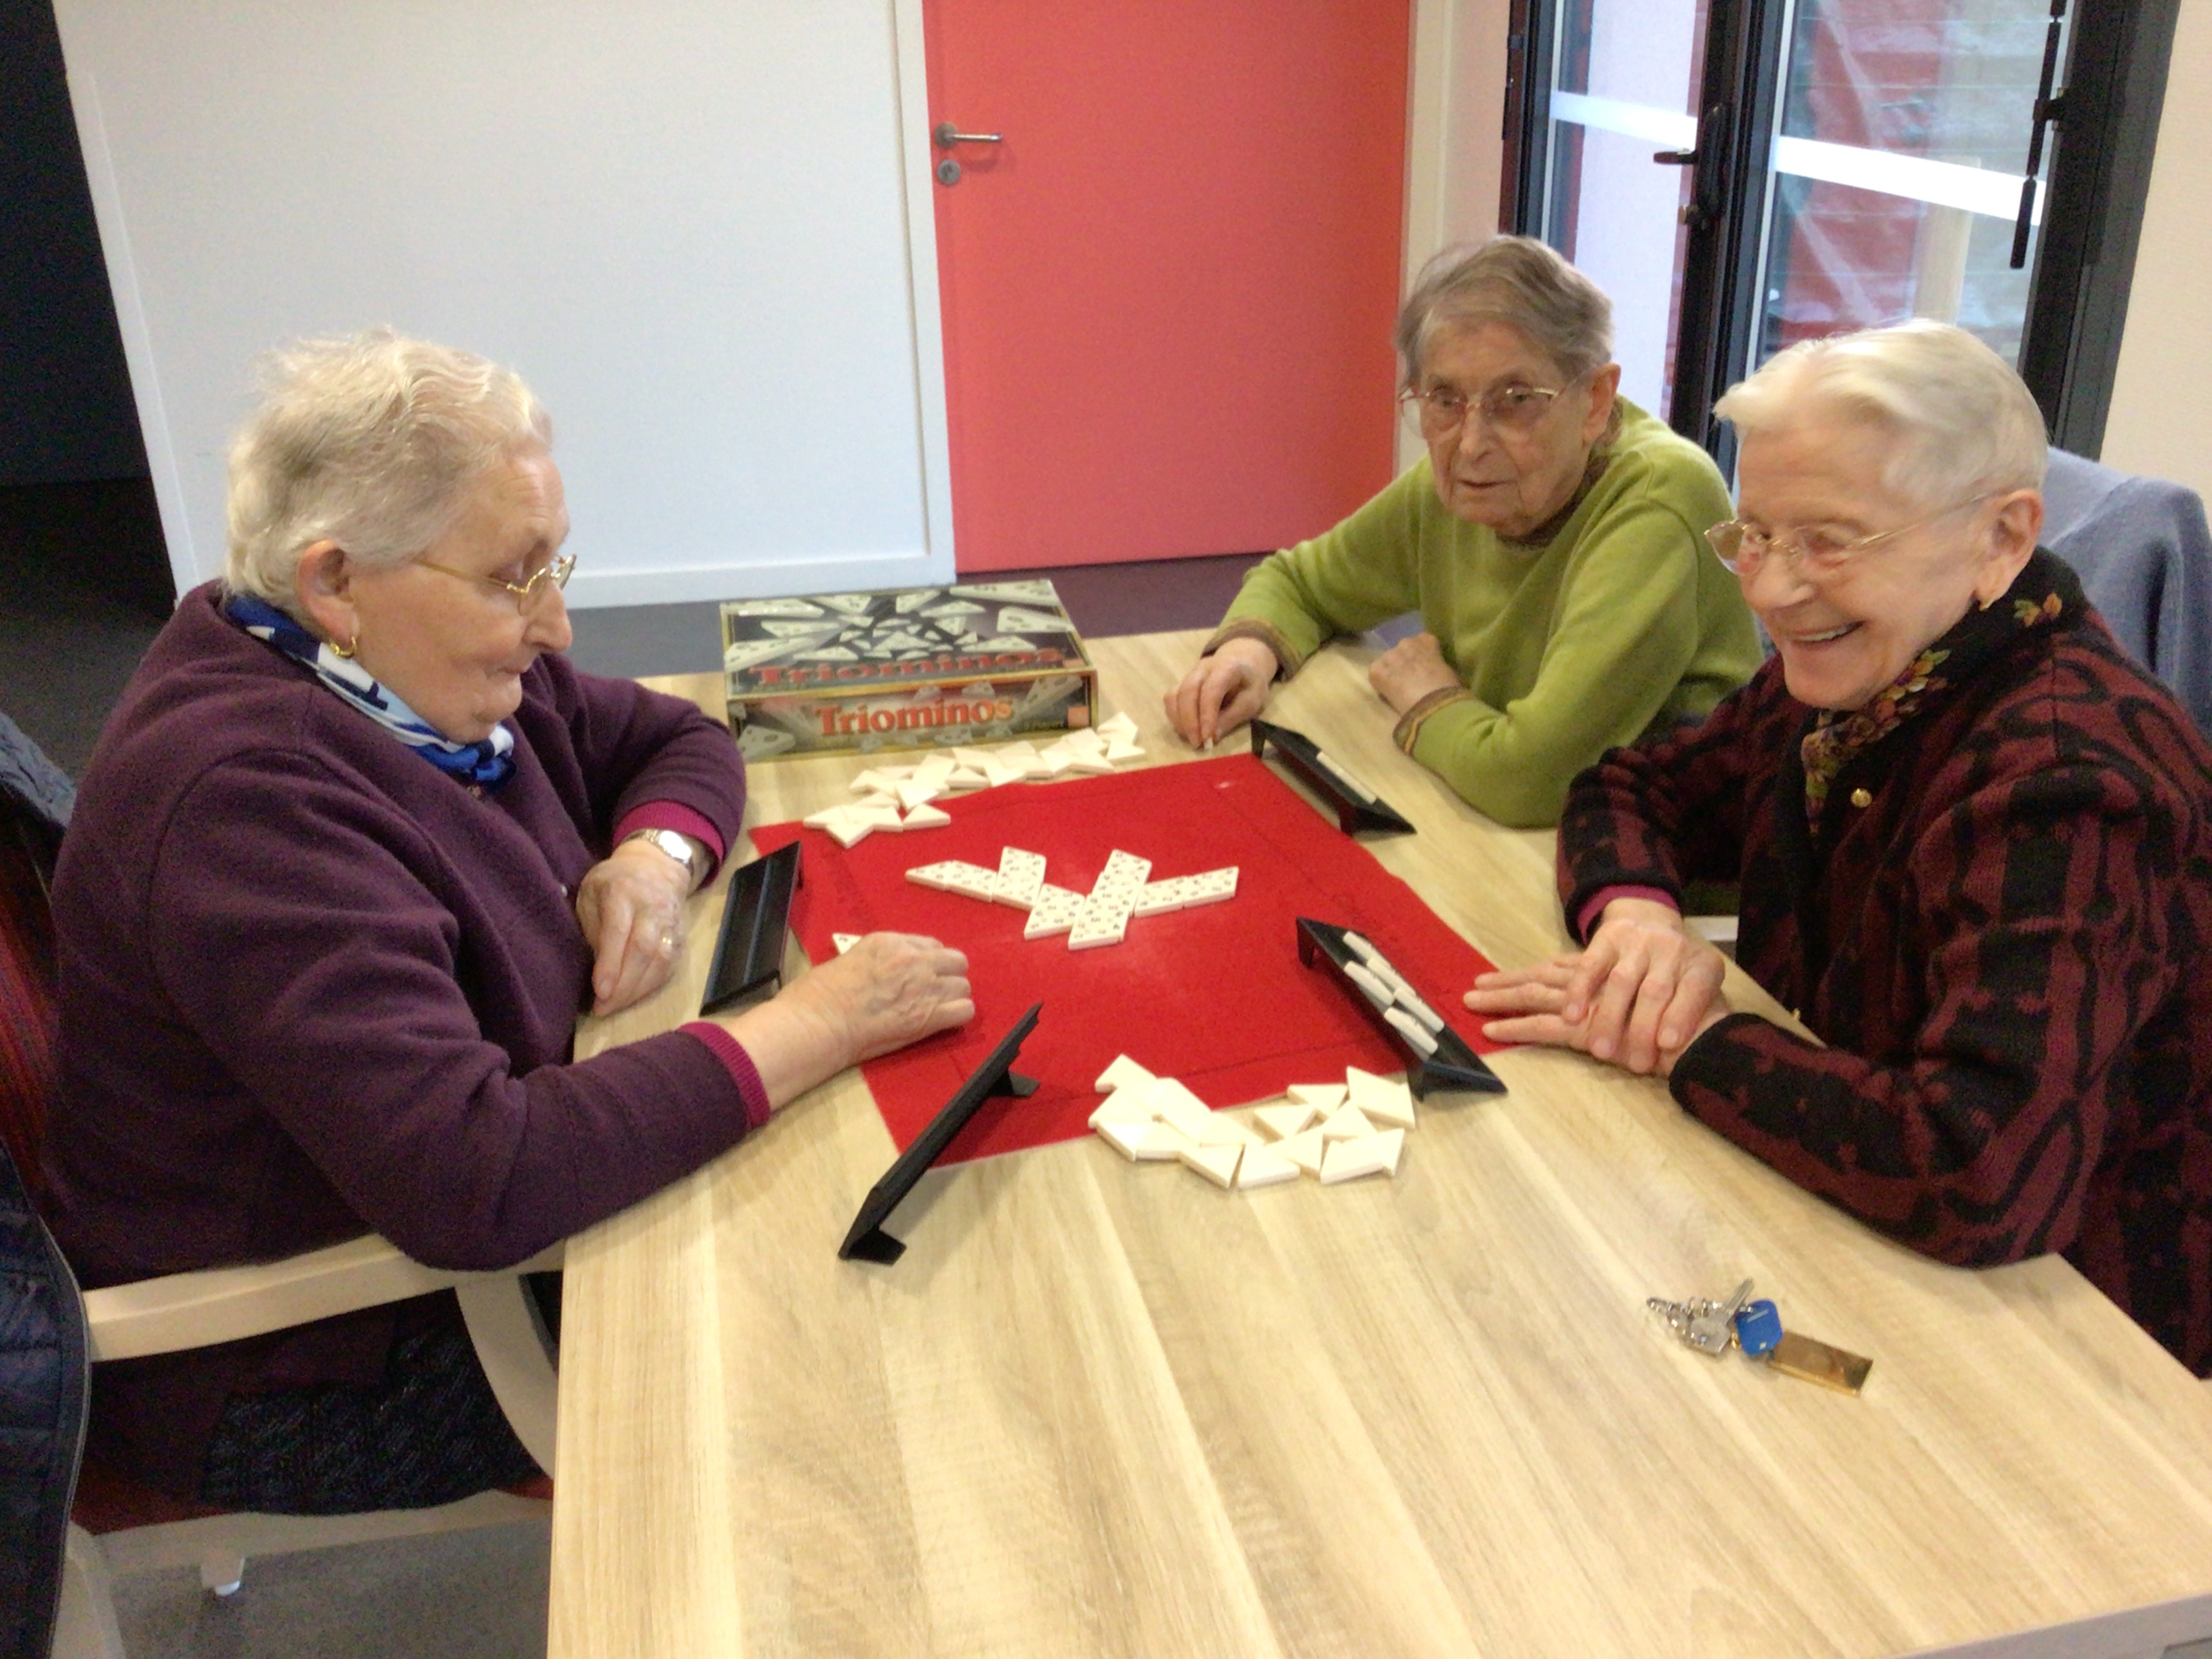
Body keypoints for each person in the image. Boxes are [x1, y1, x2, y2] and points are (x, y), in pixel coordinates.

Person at [41, 331, 975, 1511]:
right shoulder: (246, 805)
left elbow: (676, 739)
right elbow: (474, 1181)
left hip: (433, 1227)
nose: (555, 625)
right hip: (310, 1354)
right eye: (509, 576)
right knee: (847, 1295)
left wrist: (651, 859)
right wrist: (817, 1025)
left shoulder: (402, 675)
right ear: (334, 583)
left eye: (550, 566)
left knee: (848, 1179)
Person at [1467, 321, 2212, 1376]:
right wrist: (1638, 917)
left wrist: (1692, 1039)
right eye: (1756, 534)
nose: (1769, 591)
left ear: (2001, 538)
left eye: (1830, 542)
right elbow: (1632, 785)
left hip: (2081, 1339)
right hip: (1844, 1217)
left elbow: (1979, 1169)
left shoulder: (2068, 784)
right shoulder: (1875, 667)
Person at [1164, 236, 1762, 827]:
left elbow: (1530, 779)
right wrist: (1249, 656)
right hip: (1496, 821)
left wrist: (1427, 699)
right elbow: (1299, 583)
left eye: (1517, 399)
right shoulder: (1465, 484)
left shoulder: (1658, 500)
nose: (1471, 445)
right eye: (1445, 399)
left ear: (1595, 400)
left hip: (1660, 852)